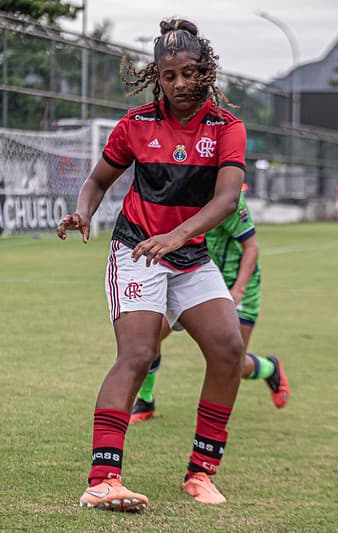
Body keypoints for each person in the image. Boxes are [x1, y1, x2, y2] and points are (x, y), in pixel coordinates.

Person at [57, 19, 247, 512]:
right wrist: (84, 211)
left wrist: (179, 236)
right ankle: (103, 480)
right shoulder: (136, 124)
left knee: (228, 348)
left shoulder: (226, 128)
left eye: (189, 73)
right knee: (138, 354)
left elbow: (226, 200)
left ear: (205, 70)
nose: (180, 83)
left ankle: (201, 473)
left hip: (187, 253)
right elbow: (97, 181)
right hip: (137, 251)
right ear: (155, 78)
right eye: (169, 76)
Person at [130, 189, 291, 424]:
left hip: (235, 283)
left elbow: (252, 247)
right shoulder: (182, 191)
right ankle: (146, 399)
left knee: (231, 363)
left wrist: (237, 290)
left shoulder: (229, 199)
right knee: (149, 336)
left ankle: (269, 368)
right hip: (192, 276)